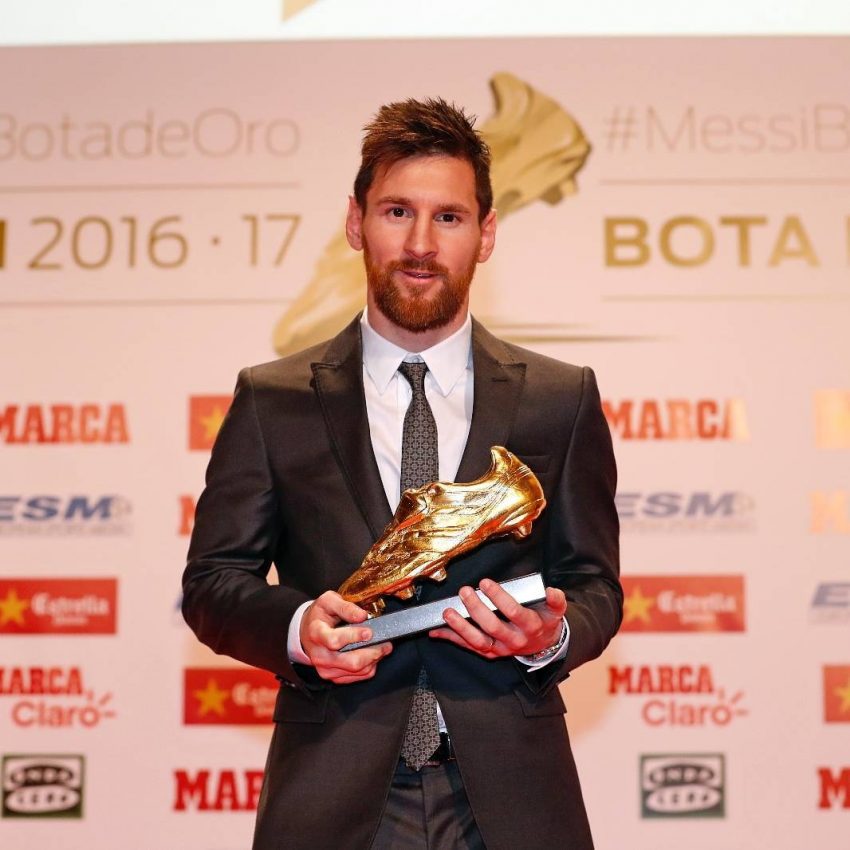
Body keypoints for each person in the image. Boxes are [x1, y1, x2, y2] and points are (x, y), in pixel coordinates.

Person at [182, 98, 621, 850]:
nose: (420, 244)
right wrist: (297, 628)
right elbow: (213, 583)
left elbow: (595, 587)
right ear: (356, 222)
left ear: (486, 234)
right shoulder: (273, 399)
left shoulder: (561, 398)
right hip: (331, 792)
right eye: (397, 212)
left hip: (514, 796)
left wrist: (547, 637)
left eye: (449, 217)